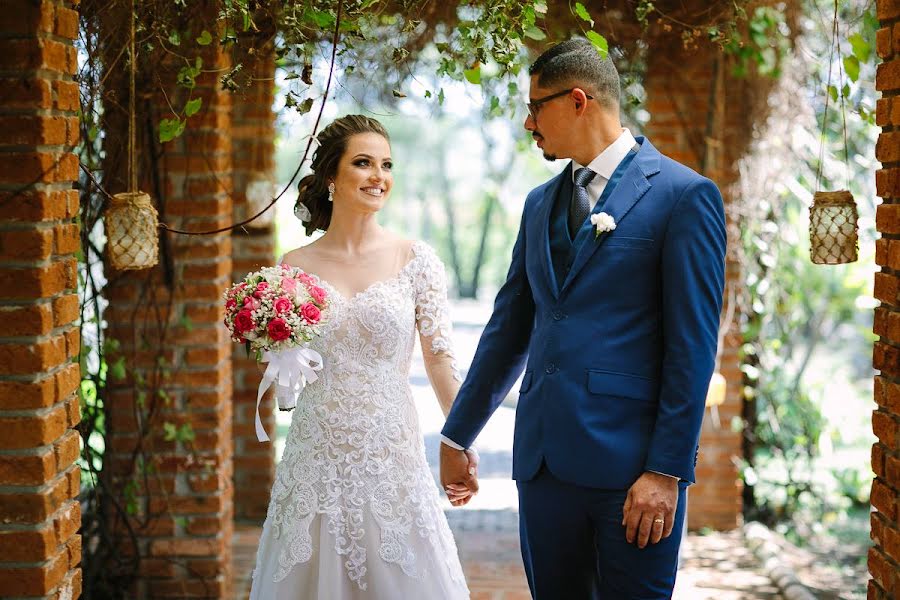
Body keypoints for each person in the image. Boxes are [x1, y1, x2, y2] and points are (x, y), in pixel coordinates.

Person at [439, 37, 727, 598]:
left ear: (577, 101)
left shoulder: (683, 196)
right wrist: (457, 436)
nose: (527, 123)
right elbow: (509, 329)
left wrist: (666, 471)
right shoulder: (538, 203)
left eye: (534, 107)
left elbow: (692, 348)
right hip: (544, 468)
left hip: (633, 473)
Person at [250, 114, 473, 600]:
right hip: (315, 450)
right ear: (332, 176)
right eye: (364, 163)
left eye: (386, 164)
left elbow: (440, 361)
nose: (379, 176)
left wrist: (461, 438)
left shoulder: (416, 260)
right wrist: (264, 332)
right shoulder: (293, 267)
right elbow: (287, 362)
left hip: (389, 450)